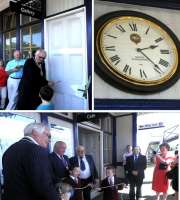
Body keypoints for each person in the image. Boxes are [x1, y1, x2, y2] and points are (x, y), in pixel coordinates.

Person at [2, 122, 60, 200]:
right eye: (48, 136)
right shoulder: (37, 150)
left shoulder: (9, 150)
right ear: (35, 132)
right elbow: (44, 187)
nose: (49, 140)